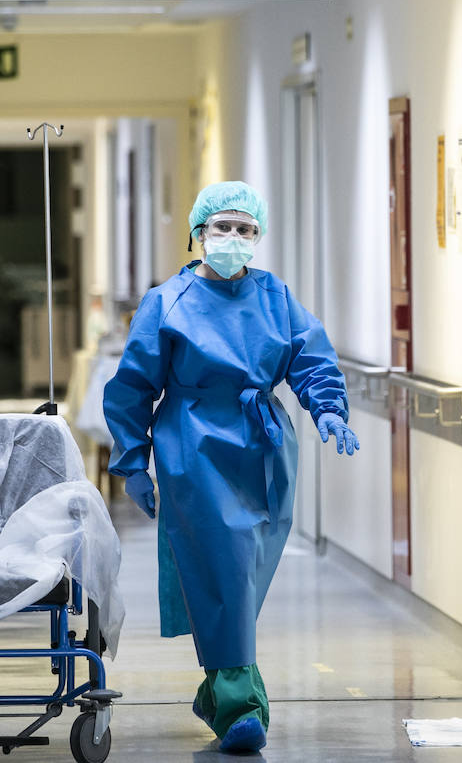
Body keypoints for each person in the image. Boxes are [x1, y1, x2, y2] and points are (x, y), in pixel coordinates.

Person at [103, 181, 359, 753]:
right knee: (224, 563)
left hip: (263, 442)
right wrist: (133, 462)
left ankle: (222, 688)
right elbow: (131, 389)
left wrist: (329, 411)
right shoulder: (166, 301)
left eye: (246, 230)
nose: (234, 238)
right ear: (198, 234)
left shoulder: (274, 296)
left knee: (245, 573)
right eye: (223, 227)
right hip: (193, 444)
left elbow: (310, 357)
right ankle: (241, 706)